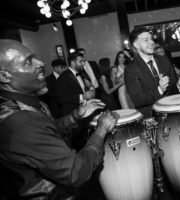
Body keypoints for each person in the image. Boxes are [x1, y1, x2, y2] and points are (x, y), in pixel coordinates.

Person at [0, 39, 119, 199]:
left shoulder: (23, 103)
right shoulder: (21, 122)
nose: (40, 62)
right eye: (28, 62)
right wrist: (101, 130)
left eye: (34, 57)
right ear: (3, 75)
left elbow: (48, 130)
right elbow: (76, 172)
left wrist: (75, 116)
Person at [124, 27, 178, 117]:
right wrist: (160, 89)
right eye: (146, 40)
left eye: (151, 39)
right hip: (152, 118)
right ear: (136, 45)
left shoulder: (164, 59)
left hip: (172, 111)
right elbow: (138, 100)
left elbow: (173, 86)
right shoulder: (131, 69)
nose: (152, 42)